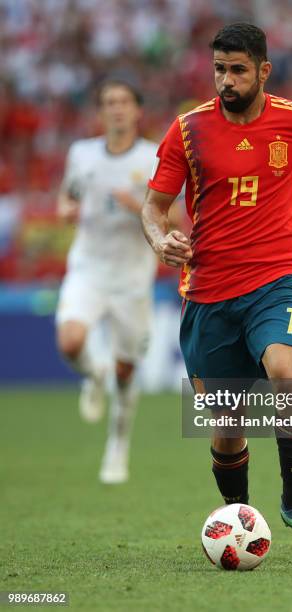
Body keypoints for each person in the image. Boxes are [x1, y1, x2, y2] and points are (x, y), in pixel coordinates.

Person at [142, 23, 292, 553]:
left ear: (263, 70)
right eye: (220, 69)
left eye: (238, 69)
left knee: (288, 374)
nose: (226, 80)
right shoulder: (188, 130)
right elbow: (153, 208)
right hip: (209, 292)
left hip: (277, 279)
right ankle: (239, 517)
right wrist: (160, 240)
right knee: (229, 424)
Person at [56, 75, 158, 484]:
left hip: (132, 278)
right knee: (71, 342)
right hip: (89, 268)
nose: (116, 108)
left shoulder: (153, 158)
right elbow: (68, 195)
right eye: (109, 102)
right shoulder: (81, 154)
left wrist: (140, 207)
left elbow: (170, 218)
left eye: (124, 101)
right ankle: (93, 375)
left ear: (137, 110)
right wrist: (64, 208)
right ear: (100, 111)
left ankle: (118, 446)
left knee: (126, 371)